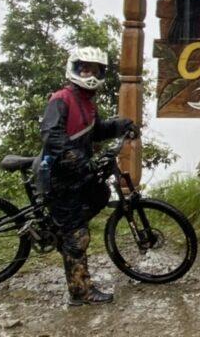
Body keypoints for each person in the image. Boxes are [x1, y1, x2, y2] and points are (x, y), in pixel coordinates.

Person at [40, 46, 138, 306]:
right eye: (85, 68)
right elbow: (52, 136)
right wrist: (78, 160)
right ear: (74, 68)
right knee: (77, 235)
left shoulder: (87, 102)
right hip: (60, 176)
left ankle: (65, 232)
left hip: (77, 175)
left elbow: (94, 131)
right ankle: (80, 292)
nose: (89, 73)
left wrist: (121, 124)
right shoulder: (61, 99)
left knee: (101, 193)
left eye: (95, 69)